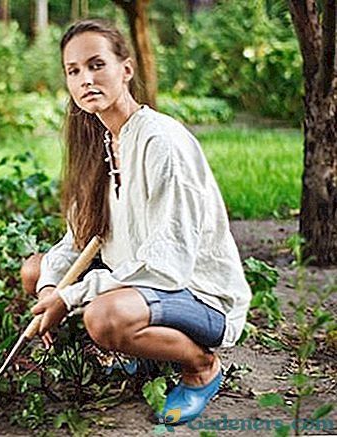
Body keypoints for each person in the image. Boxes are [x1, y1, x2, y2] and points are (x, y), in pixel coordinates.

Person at [21, 19, 251, 425]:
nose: (85, 79)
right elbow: (76, 240)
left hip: (195, 293)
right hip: (142, 285)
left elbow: (167, 265)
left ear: (125, 70)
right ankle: (139, 358)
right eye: (73, 71)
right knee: (36, 271)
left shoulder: (160, 142)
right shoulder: (99, 140)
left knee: (103, 316)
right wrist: (51, 289)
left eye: (96, 65)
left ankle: (201, 368)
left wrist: (72, 298)